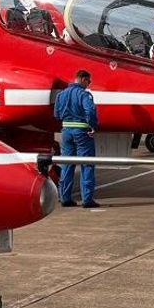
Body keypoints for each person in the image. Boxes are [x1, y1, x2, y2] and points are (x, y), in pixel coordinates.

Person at [53, 69, 100, 208]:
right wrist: (92, 125)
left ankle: (65, 197)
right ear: (84, 79)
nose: (89, 84)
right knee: (87, 164)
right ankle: (87, 200)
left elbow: (56, 114)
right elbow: (90, 111)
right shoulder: (84, 94)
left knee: (67, 164)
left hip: (66, 131)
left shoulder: (61, 94)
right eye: (89, 81)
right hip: (82, 132)